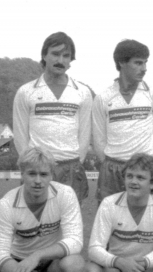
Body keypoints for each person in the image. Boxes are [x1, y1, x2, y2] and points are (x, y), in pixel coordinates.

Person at [12, 32, 94, 202]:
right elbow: (20, 136)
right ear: (44, 55)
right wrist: (32, 166)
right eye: (55, 54)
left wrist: (76, 163)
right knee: (35, 223)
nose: (61, 60)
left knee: (70, 224)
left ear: (71, 60)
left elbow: (85, 134)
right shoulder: (26, 91)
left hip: (71, 167)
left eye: (66, 56)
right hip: (38, 169)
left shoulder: (82, 92)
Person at [92, 40, 153, 201]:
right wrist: (109, 165)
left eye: (145, 63)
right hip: (113, 169)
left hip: (145, 168)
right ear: (122, 63)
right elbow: (98, 140)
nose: (144, 68)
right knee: (111, 220)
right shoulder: (103, 98)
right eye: (138, 63)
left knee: (149, 221)